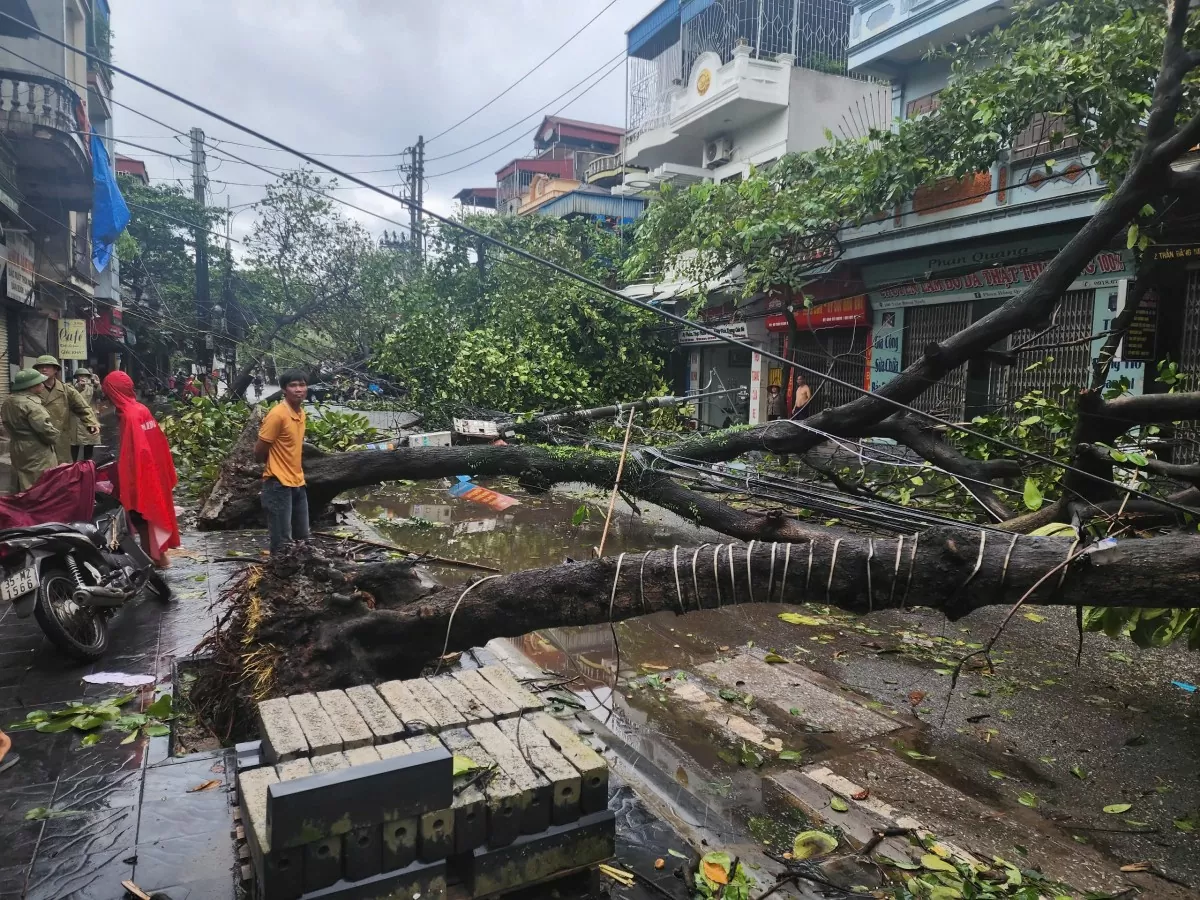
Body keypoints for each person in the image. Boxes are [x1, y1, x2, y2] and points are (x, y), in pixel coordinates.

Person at [102, 371, 180, 568]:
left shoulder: (129, 416)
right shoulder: (140, 409)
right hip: (153, 470)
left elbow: (138, 453)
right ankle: (156, 558)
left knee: (142, 517)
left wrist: (131, 481)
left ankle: (156, 560)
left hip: (143, 474)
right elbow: (157, 444)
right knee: (149, 516)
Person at [255, 370, 310, 554]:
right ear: (284, 390)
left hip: (298, 482)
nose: (298, 389)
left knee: (303, 538)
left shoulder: (301, 414)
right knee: (282, 543)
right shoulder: (277, 414)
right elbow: (259, 450)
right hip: (277, 484)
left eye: (301, 385)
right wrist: (273, 466)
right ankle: (278, 578)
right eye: (293, 385)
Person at [33, 356, 99, 465]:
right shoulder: (32, 389)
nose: (44, 369)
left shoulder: (66, 389)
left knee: (62, 471)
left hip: (61, 438)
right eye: (40, 367)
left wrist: (91, 422)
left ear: (55, 370)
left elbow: (82, 407)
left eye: (48, 366)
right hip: (39, 438)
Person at [1, 370, 59, 492]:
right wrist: (55, 437)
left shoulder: (8, 401)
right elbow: (45, 430)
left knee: (21, 478)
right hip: (36, 449)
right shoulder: (32, 405)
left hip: (17, 444)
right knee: (40, 482)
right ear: (31, 386)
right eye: (39, 383)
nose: (43, 385)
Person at [71, 367, 101, 461]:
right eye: (80, 376)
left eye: (85, 376)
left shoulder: (92, 388)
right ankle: (74, 469)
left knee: (89, 447)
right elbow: (72, 396)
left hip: (89, 420)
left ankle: (87, 469)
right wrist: (79, 387)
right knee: (74, 447)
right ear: (76, 377)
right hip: (75, 421)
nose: (83, 378)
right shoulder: (71, 387)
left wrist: (97, 385)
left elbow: (100, 395)